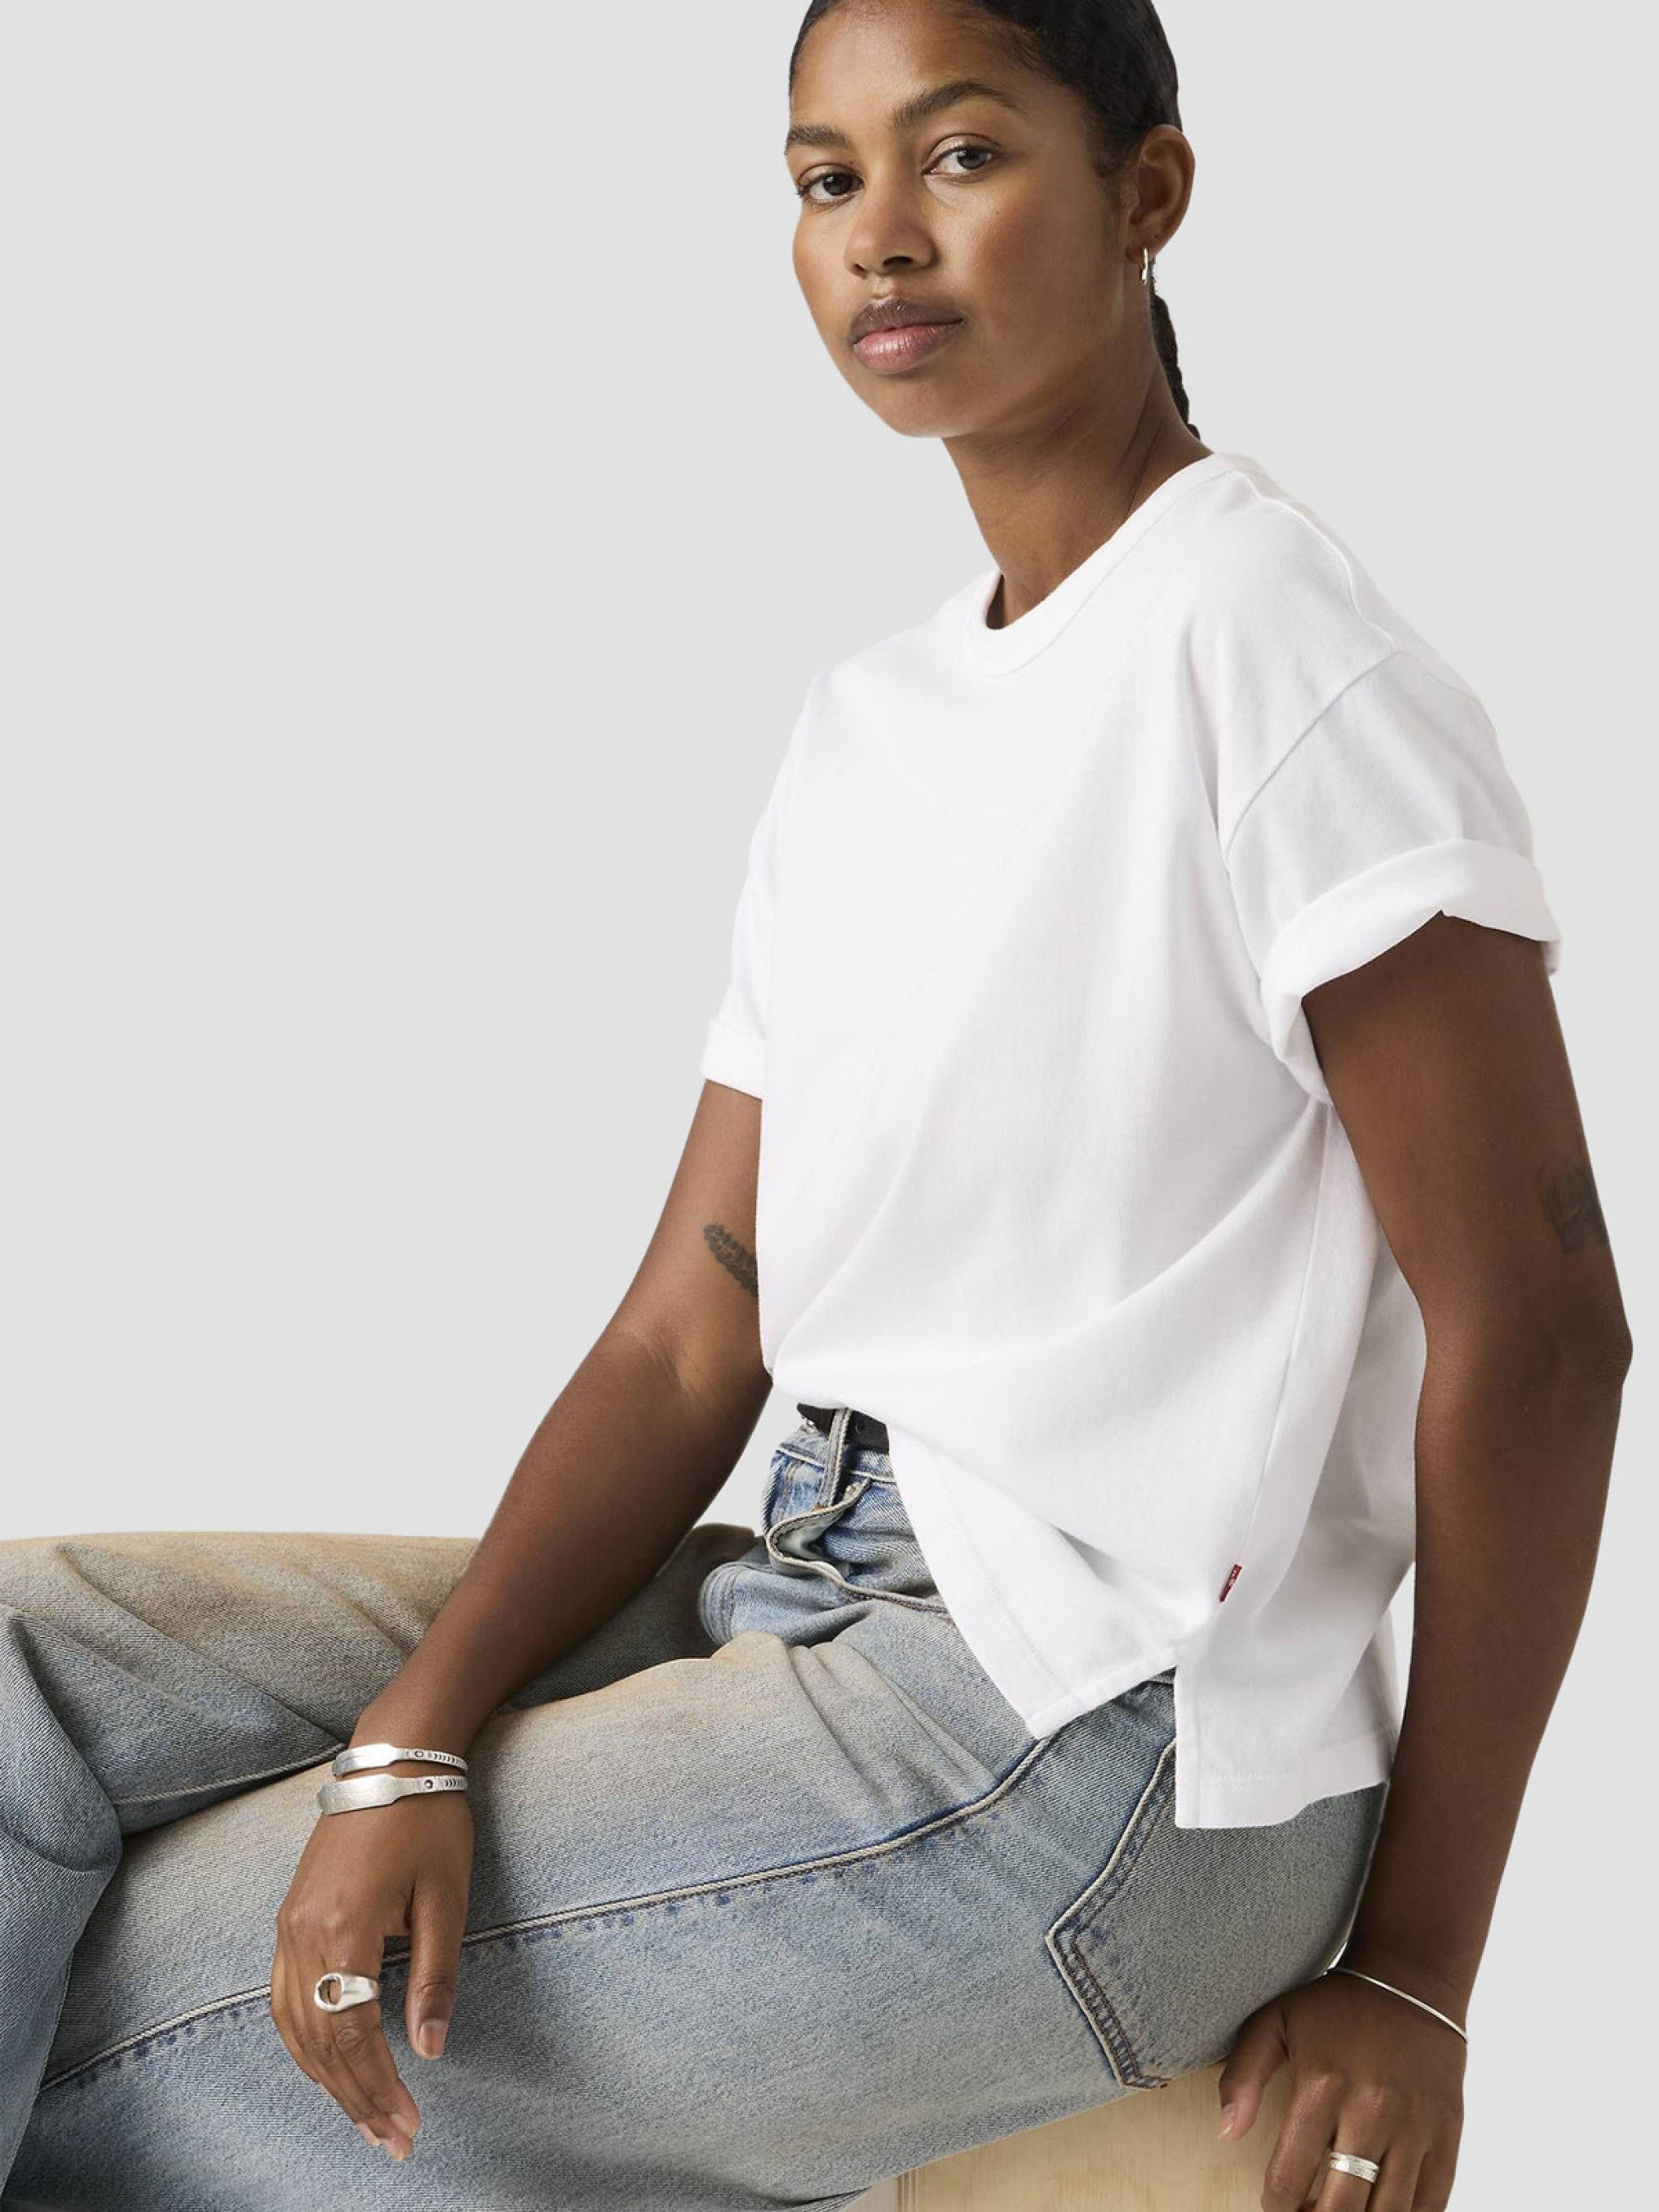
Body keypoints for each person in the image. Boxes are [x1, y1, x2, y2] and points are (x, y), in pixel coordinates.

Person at [1, 2, 1630, 2206]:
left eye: (959, 156)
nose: (880, 235)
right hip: (801, 1588)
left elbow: (1542, 1333)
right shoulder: (871, 727)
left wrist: (1420, 1971)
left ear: (1148, 193)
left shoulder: (1273, 649)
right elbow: (696, 1328)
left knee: (139, 2023)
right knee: (24, 1669)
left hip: (1089, 1745)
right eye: (823, 177)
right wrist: (413, 1733)